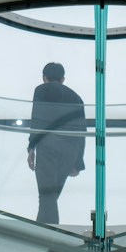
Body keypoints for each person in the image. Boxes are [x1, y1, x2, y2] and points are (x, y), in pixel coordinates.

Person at [26, 62, 85, 225]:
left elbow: (37, 117)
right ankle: (43, 233)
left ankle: (49, 238)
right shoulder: (76, 97)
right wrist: (78, 162)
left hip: (48, 144)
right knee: (49, 198)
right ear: (63, 79)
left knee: (47, 196)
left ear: (44, 77)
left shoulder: (41, 90)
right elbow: (82, 131)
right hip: (70, 149)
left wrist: (31, 148)